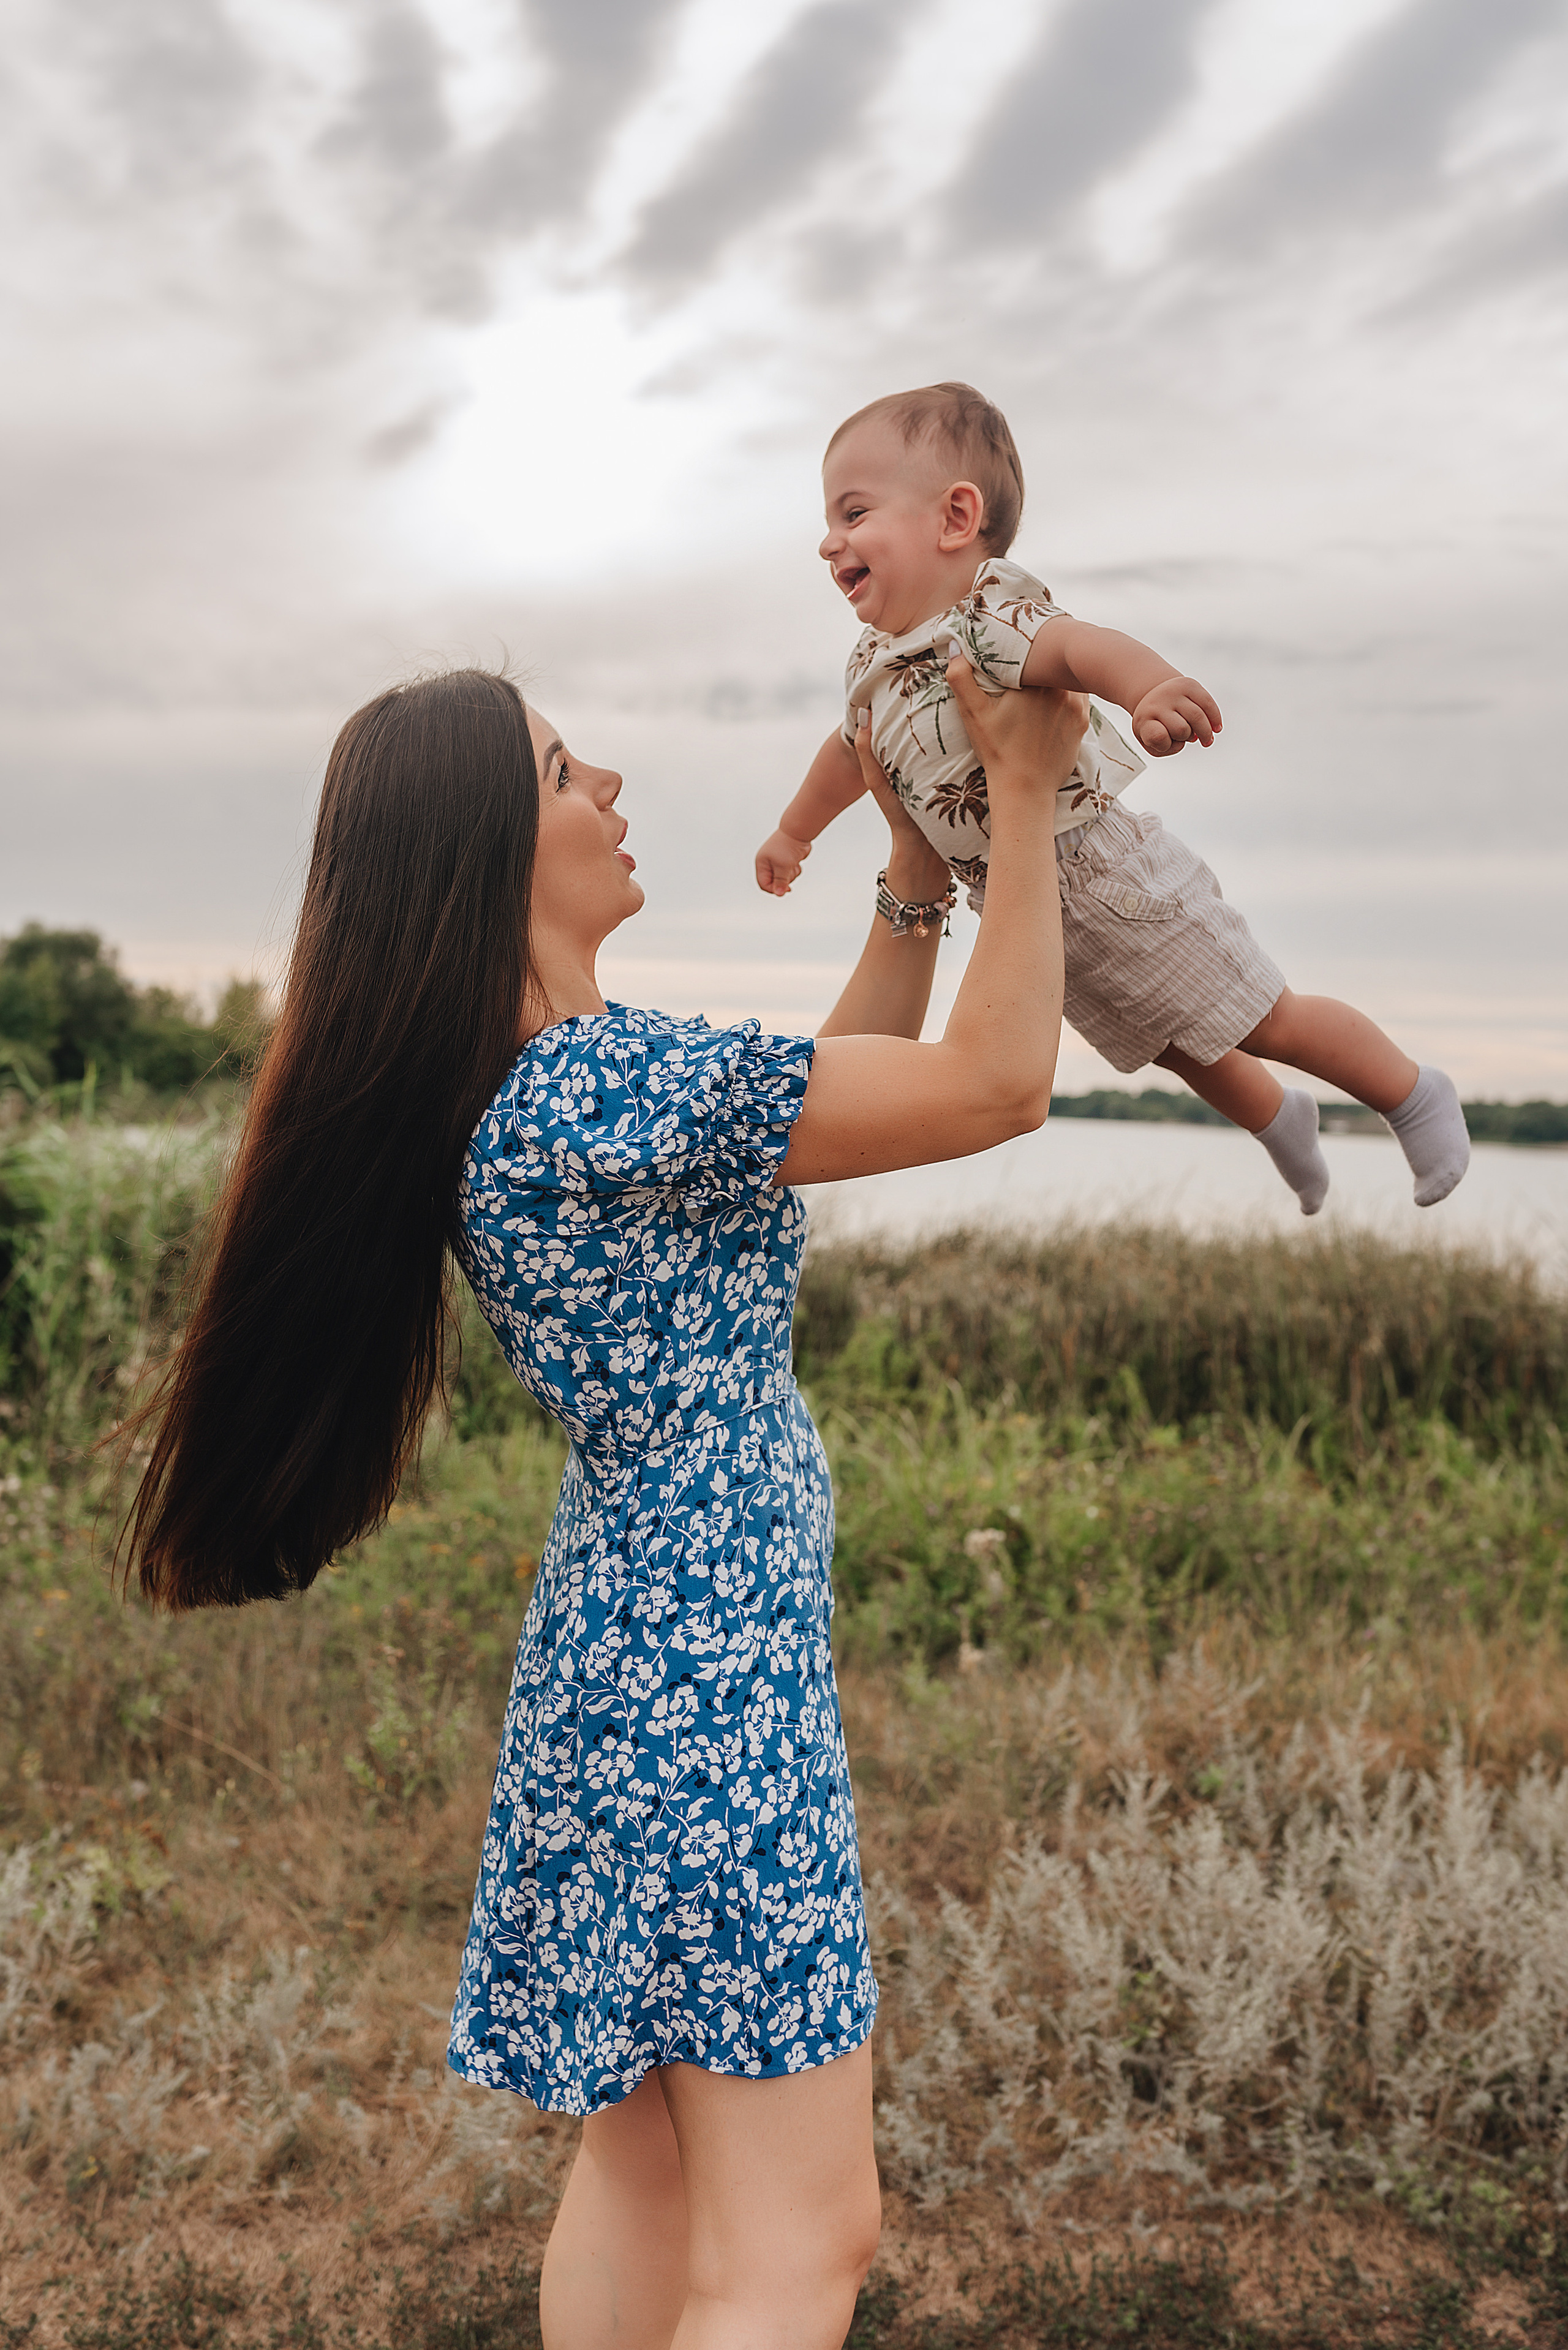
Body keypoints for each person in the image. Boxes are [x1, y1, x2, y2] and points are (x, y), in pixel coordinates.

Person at [119, 657, 1088, 2349]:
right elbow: (1000, 1084)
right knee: (804, 2232)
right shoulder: (601, 1094)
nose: (614, 784)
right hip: (704, 1680)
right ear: (490, 850)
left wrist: (915, 877)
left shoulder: (568, 1085)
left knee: (645, 2172)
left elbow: (834, 1090)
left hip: (626, 1657)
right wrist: (1019, 784)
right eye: (569, 771)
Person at [755, 380, 1471, 1217]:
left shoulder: (988, 617)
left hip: (1100, 870)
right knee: (1170, 1039)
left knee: (1261, 1014)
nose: (828, 541)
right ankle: (1281, 1117)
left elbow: (1083, 647)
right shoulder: (873, 661)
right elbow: (850, 754)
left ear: (955, 517)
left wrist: (1151, 688)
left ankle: (1413, 1092)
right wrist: (792, 830)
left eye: (853, 513)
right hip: (1019, 906)